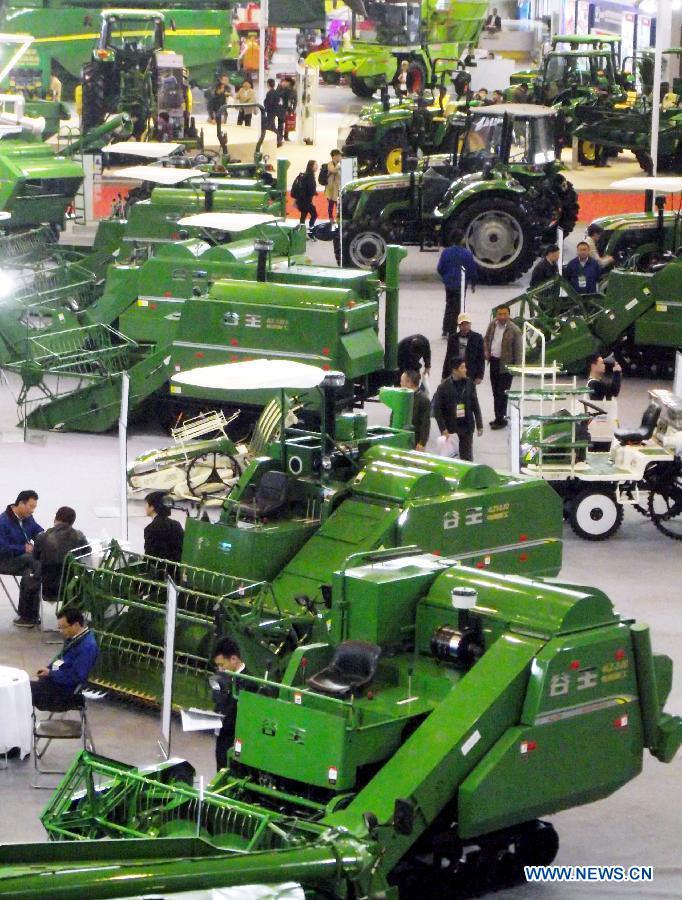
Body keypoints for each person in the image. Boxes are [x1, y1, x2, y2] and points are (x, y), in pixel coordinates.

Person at [31, 606, 98, 711]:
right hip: (56, 682)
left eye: (63, 627)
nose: (61, 631)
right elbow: (61, 659)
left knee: (24, 693)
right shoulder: (73, 638)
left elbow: (76, 677)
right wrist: (49, 669)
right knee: (23, 689)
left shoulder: (87, 647)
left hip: (66, 693)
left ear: (75, 625)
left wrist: (51, 673)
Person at [0, 490, 43, 628]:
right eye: (31, 506)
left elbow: (37, 530)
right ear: (20, 503)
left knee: (30, 573)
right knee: (33, 560)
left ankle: (28, 616)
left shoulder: (28, 518)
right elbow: (2, 548)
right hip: (5, 560)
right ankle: (48, 575)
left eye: (34, 507)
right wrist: (22, 548)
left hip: (24, 560)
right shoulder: (3, 522)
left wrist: (46, 538)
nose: (32, 510)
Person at [33, 507, 90, 602]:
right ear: (72, 523)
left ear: (55, 518)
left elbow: (35, 557)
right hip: (73, 588)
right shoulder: (78, 535)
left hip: (49, 588)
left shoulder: (41, 537)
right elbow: (87, 551)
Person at [432, 357, 483, 461]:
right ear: (455, 370)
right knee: (451, 456)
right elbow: (437, 410)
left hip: (467, 426)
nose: (465, 370)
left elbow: (475, 404)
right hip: (451, 428)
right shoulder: (443, 387)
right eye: (462, 367)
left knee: (467, 456)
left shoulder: (470, 384)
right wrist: (443, 429)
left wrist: (479, 424)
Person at [484, 304, 523, 429]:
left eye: (504, 314)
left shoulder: (515, 330)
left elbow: (518, 350)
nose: (502, 317)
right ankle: (498, 417)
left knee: (502, 393)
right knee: (496, 392)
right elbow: (486, 339)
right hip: (494, 362)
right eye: (500, 314)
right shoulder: (492, 325)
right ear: (496, 315)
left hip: (506, 366)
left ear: (508, 315)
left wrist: (516, 368)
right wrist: (486, 351)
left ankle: (501, 420)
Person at [211, 637, 246, 770]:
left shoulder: (248, 683)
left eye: (222, 665)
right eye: (218, 666)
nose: (220, 669)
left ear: (234, 659)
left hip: (234, 740)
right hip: (222, 737)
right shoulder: (225, 677)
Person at [437, 229, 478, 337]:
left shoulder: (446, 252)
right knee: (459, 307)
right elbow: (471, 269)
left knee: (449, 305)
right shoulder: (466, 254)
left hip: (449, 284)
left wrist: (445, 278)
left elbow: (440, 268)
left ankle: (445, 329)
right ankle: (453, 330)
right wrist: (473, 283)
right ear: (461, 239)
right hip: (461, 284)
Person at [585, 353, 622, 450]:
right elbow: (614, 391)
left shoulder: (595, 383)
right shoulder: (594, 384)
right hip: (599, 433)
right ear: (593, 366)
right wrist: (617, 372)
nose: (604, 365)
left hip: (600, 430)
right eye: (601, 363)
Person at [442, 313, 485, 384]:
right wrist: (444, 376)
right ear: (458, 325)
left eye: (467, 324)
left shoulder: (477, 338)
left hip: (470, 374)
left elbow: (481, 358)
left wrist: (479, 376)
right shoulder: (453, 338)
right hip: (455, 373)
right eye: (462, 324)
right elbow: (448, 357)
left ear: (470, 324)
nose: (465, 327)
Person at [143, 491, 184, 562]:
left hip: (159, 570)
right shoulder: (176, 525)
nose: (145, 507)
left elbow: (150, 554)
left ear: (152, 507)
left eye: (146, 504)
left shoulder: (150, 528)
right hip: (176, 569)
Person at [400, 369, 431, 450]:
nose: (400, 384)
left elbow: (425, 423)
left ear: (409, 382)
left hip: (414, 440)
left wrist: (422, 443)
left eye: (402, 381)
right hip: (400, 437)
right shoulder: (401, 396)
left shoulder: (423, 400)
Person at [293, 160, 318, 229]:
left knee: (303, 215)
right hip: (305, 201)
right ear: (311, 166)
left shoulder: (307, 175)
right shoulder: (309, 176)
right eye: (315, 165)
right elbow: (308, 188)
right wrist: (313, 192)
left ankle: (301, 230)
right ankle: (311, 228)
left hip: (303, 200)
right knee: (314, 214)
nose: (317, 166)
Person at [324, 149, 342, 220]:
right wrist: (339, 164)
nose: (339, 157)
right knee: (331, 204)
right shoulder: (330, 164)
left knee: (339, 204)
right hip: (330, 188)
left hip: (338, 188)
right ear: (334, 156)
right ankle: (331, 218)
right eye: (338, 156)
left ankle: (338, 218)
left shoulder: (339, 164)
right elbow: (333, 170)